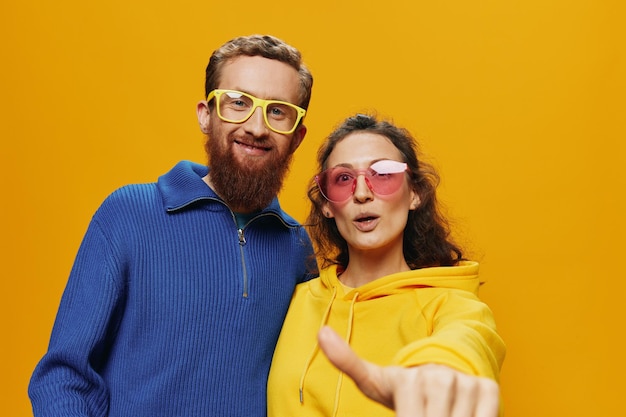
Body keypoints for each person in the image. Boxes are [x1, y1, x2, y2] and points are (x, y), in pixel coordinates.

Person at [28, 34, 316, 417]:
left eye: (277, 111)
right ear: (205, 114)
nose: (257, 127)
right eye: (238, 103)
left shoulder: (296, 246)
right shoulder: (128, 214)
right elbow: (62, 375)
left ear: (296, 137)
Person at [267, 114, 506, 417]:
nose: (362, 193)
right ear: (327, 204)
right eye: (343, 179)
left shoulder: (451, 306)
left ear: (414, 194)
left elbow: (467, 342)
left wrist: (443, 372)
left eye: (383, 174)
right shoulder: (293, 299)